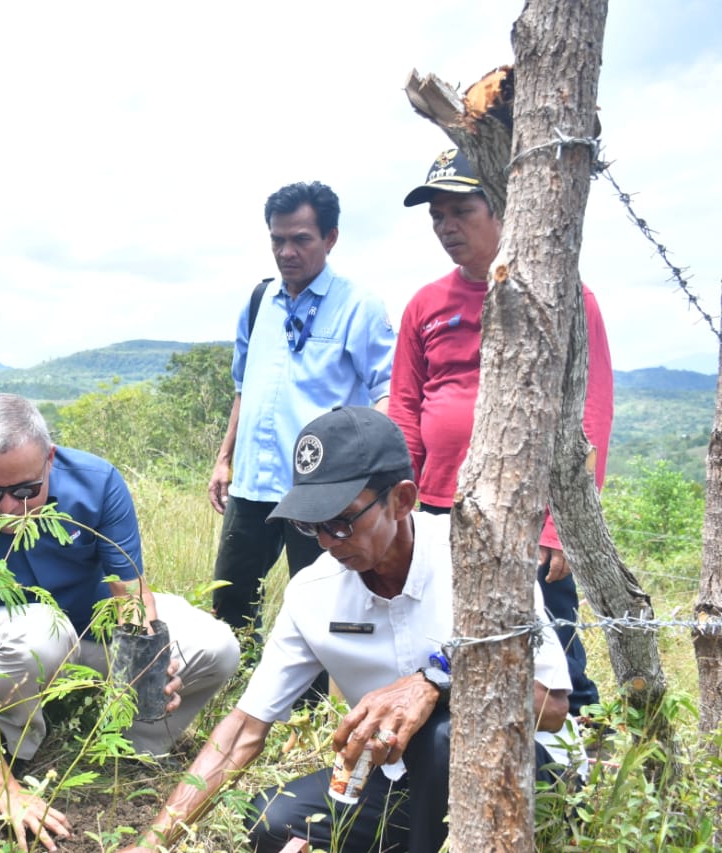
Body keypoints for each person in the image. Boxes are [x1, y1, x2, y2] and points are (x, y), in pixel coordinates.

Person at [120, 406, 578, 853]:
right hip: (400, 778)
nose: (324, 541)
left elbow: (552, 705)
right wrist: (152, 843)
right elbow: (245, 728)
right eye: (310, 524)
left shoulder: (476, 564)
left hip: (521, 774)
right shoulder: (314, 592)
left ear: (401, 500)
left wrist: (436, 685)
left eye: (341, 521)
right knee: (270, 823)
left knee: (443, 737)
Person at [0, 393, 240, 851]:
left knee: (216, 646)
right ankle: (15, 753)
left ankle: (133, 746)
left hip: (90, 629)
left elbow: (129, 594)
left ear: (49, 458)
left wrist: (144, 659)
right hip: (9, 649)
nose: (9, 509)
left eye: (26, 490)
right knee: (38, 632)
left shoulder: (98, 482)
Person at [391, 147, 614, 716]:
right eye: (437, 215)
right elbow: (406, 409)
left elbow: (591, 410)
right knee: (448, 627)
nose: (446, 227)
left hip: (530, 507)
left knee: (554, 639)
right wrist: (404, 503)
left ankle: (572, 752)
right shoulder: (426, 304)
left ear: (504, 210)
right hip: (440, 503)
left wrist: (562, 527)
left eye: (461, 210)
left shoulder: (565, 296)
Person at [209, 181, 395, 645]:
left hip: (320, 491)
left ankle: (309, 709)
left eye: (301, 239)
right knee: (230, 598)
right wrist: (224, 458)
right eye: (277, 239)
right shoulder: (259, 303)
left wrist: (373, 477)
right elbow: (242, 388)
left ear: (330, 238)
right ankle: (231, 682)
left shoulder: (359, 306)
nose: (286, 251)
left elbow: (387, 393)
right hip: (253, 483)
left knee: (317, 604)